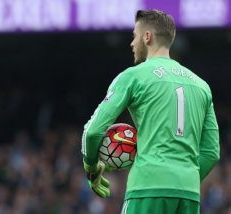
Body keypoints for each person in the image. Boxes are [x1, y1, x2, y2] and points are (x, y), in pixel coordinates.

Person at [81, 9, 220, 214]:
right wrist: (181, 180)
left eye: (134, 36)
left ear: (147, 37)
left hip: (147, 188)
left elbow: (93, 131)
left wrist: (91, 167)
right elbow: (211, 152)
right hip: (188, 194)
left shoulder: (133, 77)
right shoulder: (202, 86)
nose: (132, 43)